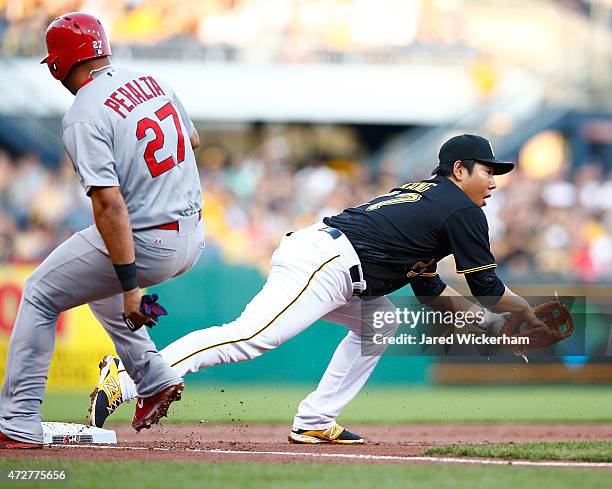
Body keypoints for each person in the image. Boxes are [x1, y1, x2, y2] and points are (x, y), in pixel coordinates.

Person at [90, 134, 546, 444]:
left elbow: (431, 290)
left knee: (381, 323)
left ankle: (314, 421)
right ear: (460, 169)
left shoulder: (432, 204)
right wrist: (521, 312)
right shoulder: (459, 207)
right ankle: (129, 379)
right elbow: (486, 284)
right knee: (250, 337)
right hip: (327, 261)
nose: (494, 181)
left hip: (334, 261)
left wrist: (488, 324)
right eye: (488, 170)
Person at [0, 12, 204, 449]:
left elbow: (109, 205)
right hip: (193, 233)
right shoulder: (152, 81)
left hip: (149, 237)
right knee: (100, 288)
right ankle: (152, 378)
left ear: (59, 62)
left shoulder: (83, 112)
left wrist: (132, 285)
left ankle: (16, 422)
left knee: (39, 293)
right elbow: (194, 141)